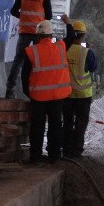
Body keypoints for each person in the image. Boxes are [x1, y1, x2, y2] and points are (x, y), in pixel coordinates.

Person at [22, 20, 71, 164]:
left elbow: (24, 76)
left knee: (37, 127)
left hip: (38, 97)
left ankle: (36, 157)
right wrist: (67, 23)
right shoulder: (61, 47)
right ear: (51, 35)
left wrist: (29, 93)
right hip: (58, 96)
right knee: (56, 125)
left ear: (38, 36)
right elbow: (71, 36)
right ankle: (54, 155)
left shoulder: (31, 51)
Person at [5, 0, 55, 99]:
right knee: (38, 61)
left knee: (18, 61)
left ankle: (9, 90)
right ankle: (36, 90)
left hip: (24, 32)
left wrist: (23, 17)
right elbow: (49, 16)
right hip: (39, 34)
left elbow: (13, 11)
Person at [62, 20, 97, 158]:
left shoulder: (64, 50)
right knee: (81, 123)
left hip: (67, 94)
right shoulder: (88, 52)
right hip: (83, 95)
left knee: (67, 122)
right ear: (83, 35)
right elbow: (93, 68)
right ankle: (76, 150)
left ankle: (65, 149)